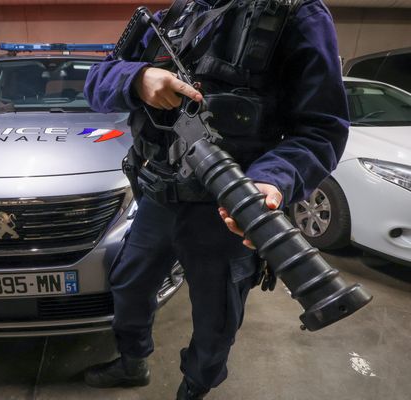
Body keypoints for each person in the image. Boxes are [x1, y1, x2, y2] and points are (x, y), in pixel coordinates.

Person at [82, 0, 350, 398]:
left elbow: (322, 130)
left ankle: (195, 387)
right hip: (157, 197)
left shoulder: (297, 13)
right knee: (128, 286)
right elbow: (96, 82)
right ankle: (132, 361)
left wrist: (271, 181)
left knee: (216, 319)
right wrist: (138, 78)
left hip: (226, 210)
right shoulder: (173, 16)